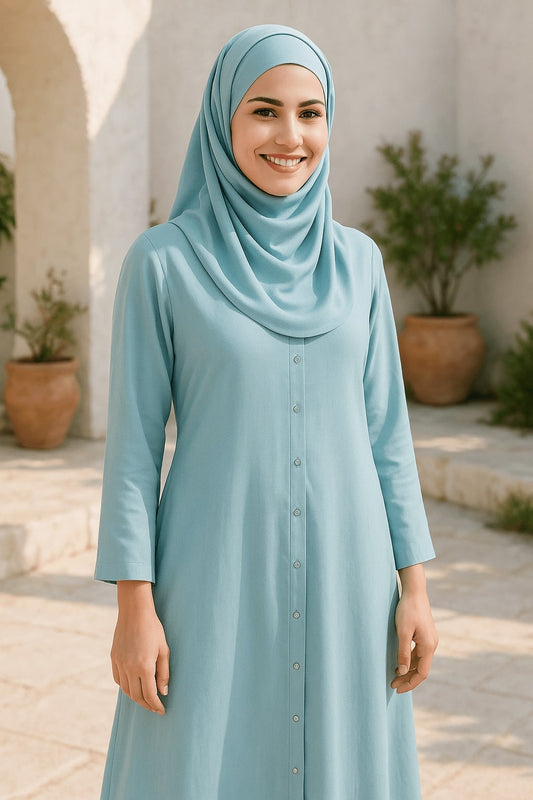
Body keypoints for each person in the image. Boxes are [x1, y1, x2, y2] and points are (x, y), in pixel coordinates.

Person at [94, 23, 438, 800]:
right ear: (222, 120)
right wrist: (133, 606)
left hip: (352, 578)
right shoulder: (163, 263)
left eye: (310, 113)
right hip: (211, 574)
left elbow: (387, 433)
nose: (290, 136)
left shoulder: (359, 262)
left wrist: (413, 587)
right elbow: (134, 452)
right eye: (264, 111)